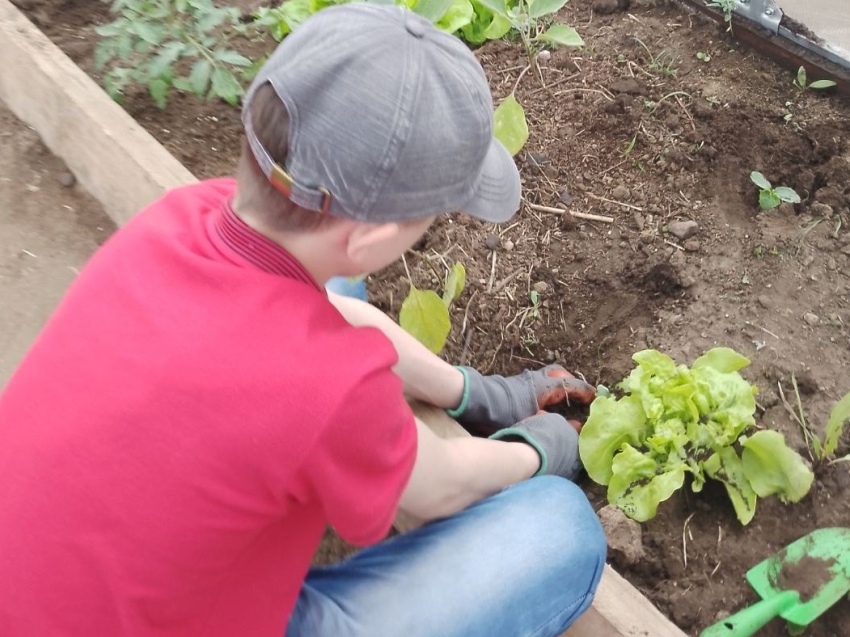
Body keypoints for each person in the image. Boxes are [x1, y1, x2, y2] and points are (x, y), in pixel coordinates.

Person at [0, 5, 606, 636]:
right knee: (558, 527)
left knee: (323, 288)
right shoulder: (324, 389)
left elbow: (335, 311)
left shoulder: (181, 216)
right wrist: (539, 449)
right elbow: (439, 489)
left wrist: (479, 395)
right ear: (373, 236)